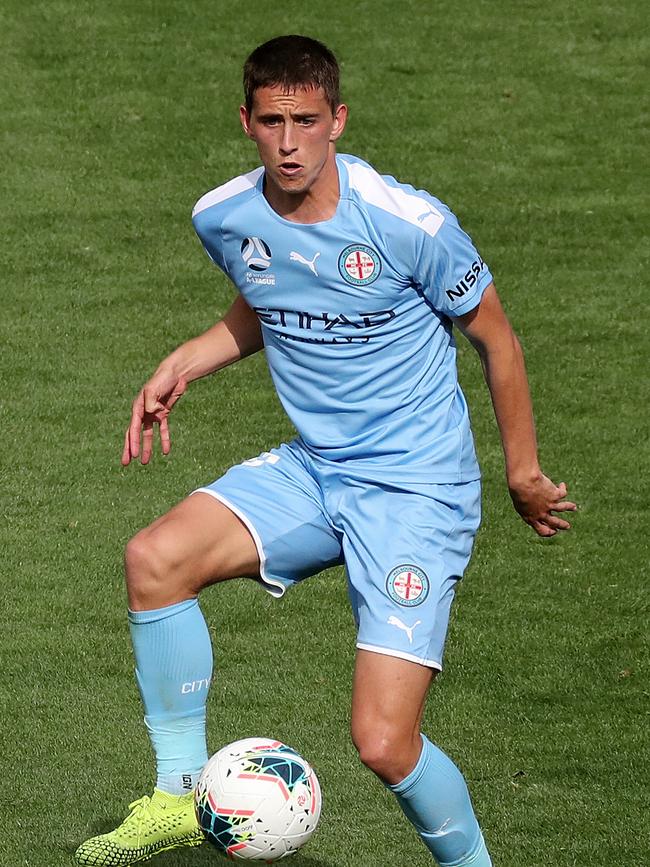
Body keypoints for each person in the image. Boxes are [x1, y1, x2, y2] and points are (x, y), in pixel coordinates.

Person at [75, 34, 576, 867]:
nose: (288, 141)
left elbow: (496, 337)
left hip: (416, 492)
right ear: (246, 121)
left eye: (306, 120)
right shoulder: (222, 215)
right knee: (154, 559)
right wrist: (187, 359)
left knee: (383, 740)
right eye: (271, 121)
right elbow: (268, 298)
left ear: (337, 120)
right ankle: (173, 795)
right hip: (318, 469)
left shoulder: (408, 224)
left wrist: (520, 470)